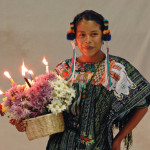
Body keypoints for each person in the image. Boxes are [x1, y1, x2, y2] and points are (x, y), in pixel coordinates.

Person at [15, 10, 150, 150]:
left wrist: (118, 140)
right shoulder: (64, 69)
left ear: (103, 36)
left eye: (94, 34)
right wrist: (26, 122)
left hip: (99, 143)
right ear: (75, 38)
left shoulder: (116, 69)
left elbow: (142, 104)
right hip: (61, 144)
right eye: (82, 35)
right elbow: (44, 109)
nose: (88, 40)